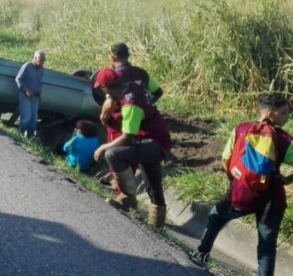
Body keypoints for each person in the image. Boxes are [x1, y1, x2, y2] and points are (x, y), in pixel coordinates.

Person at [193, 94, 293, 276]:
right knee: (267, 246)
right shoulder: (285, 139)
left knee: (216, 217)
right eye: (285, 112)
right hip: (272, 200)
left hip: (242, 195)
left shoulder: (241, 129)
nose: (288, 115)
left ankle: (201, 254)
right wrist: (288, 179)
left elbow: (226, 160)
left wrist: (237, 179)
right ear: (271, 114)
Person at [93, 68, 171, 229]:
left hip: (153, 144)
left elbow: (126, 138)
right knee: (153, 182)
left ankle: (128, 199)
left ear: (105, 88)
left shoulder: (131, 105)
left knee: (113, 154)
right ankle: (157, 227)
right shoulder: (131, 88)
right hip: (155, 141)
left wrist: (102, 147)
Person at [15, 50, 46, 139]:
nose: (42, 62)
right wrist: (26, 90)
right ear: (35, 58)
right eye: (41, 60)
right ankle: (19, 135)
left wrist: (40, 89)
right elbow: (18, 79)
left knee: (33, 119)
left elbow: (40, 80)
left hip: (36, 96)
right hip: (25, 95)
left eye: (43, 60)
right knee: (26, 118)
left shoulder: (41, 69)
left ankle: (30, 137)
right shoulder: (27, 66)